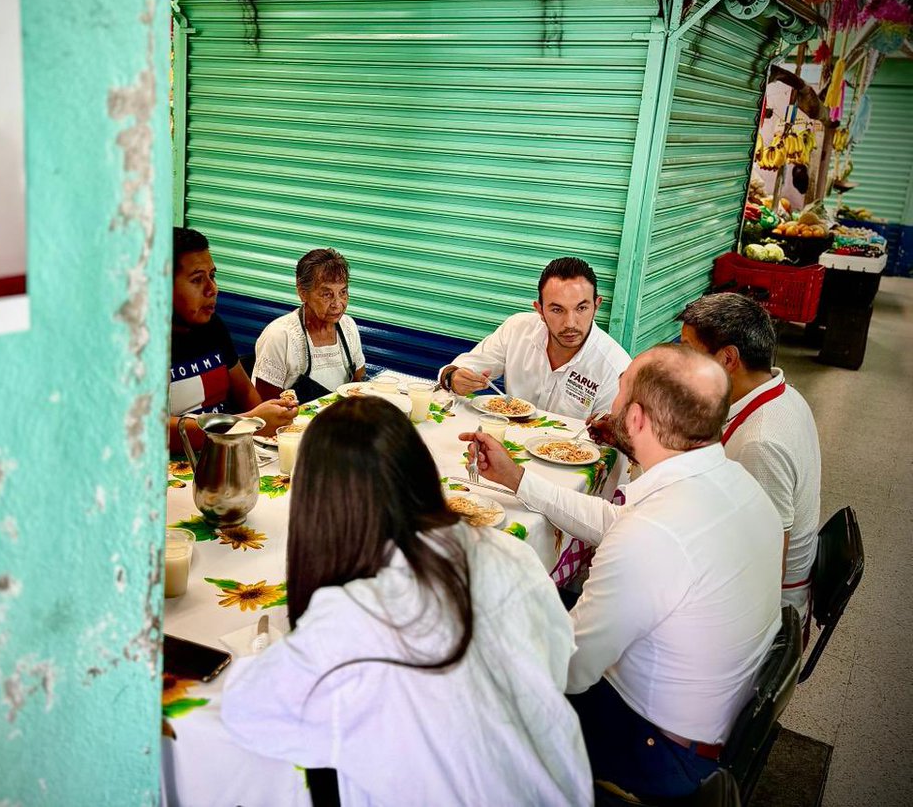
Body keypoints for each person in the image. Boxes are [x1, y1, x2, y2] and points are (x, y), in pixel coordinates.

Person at [220, 397, 593, 806]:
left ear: (319, 508)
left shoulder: (351, 615)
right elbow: (558, 662)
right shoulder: (508, 551)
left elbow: (245, 713)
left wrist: (277, 649)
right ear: (420, 473)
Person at [461, 344, 782, 799]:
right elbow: (622, 526)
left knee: (477, 661)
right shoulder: (737, 484)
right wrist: (519, 480)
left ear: (635, 421)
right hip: (713, 720)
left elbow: (567, 670)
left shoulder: (653, 536)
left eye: (621, 387)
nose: (613, 398)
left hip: (658, 752)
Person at [678, 293, 821, 624]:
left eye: (689, 352)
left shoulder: (761, 442)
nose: (682, 364)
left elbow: (764, 566)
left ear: (728, 359)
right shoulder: (778, 393)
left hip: (760, 612)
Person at [438, 257, 630, 418]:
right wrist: (453, 377)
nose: (570, 323)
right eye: (557, 309)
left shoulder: (616, 368)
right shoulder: (517, 329)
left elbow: (610, 446)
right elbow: (459, 369)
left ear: (596, 306)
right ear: (540, 310)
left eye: (581, 308)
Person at [169, 227, 296, 451]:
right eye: (197, 280)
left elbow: (246, 392)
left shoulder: (213, 326)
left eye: (213, 276)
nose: (212, 288)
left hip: (229, 453)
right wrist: (247, 423)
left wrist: (272, 420)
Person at [252, 248, 366, 403]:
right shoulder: (280, 336)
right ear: (302, 293)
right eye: (327, 294)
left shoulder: (348, 327)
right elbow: (265, 409)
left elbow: (361, 385)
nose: (338, 304)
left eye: (343, 292)